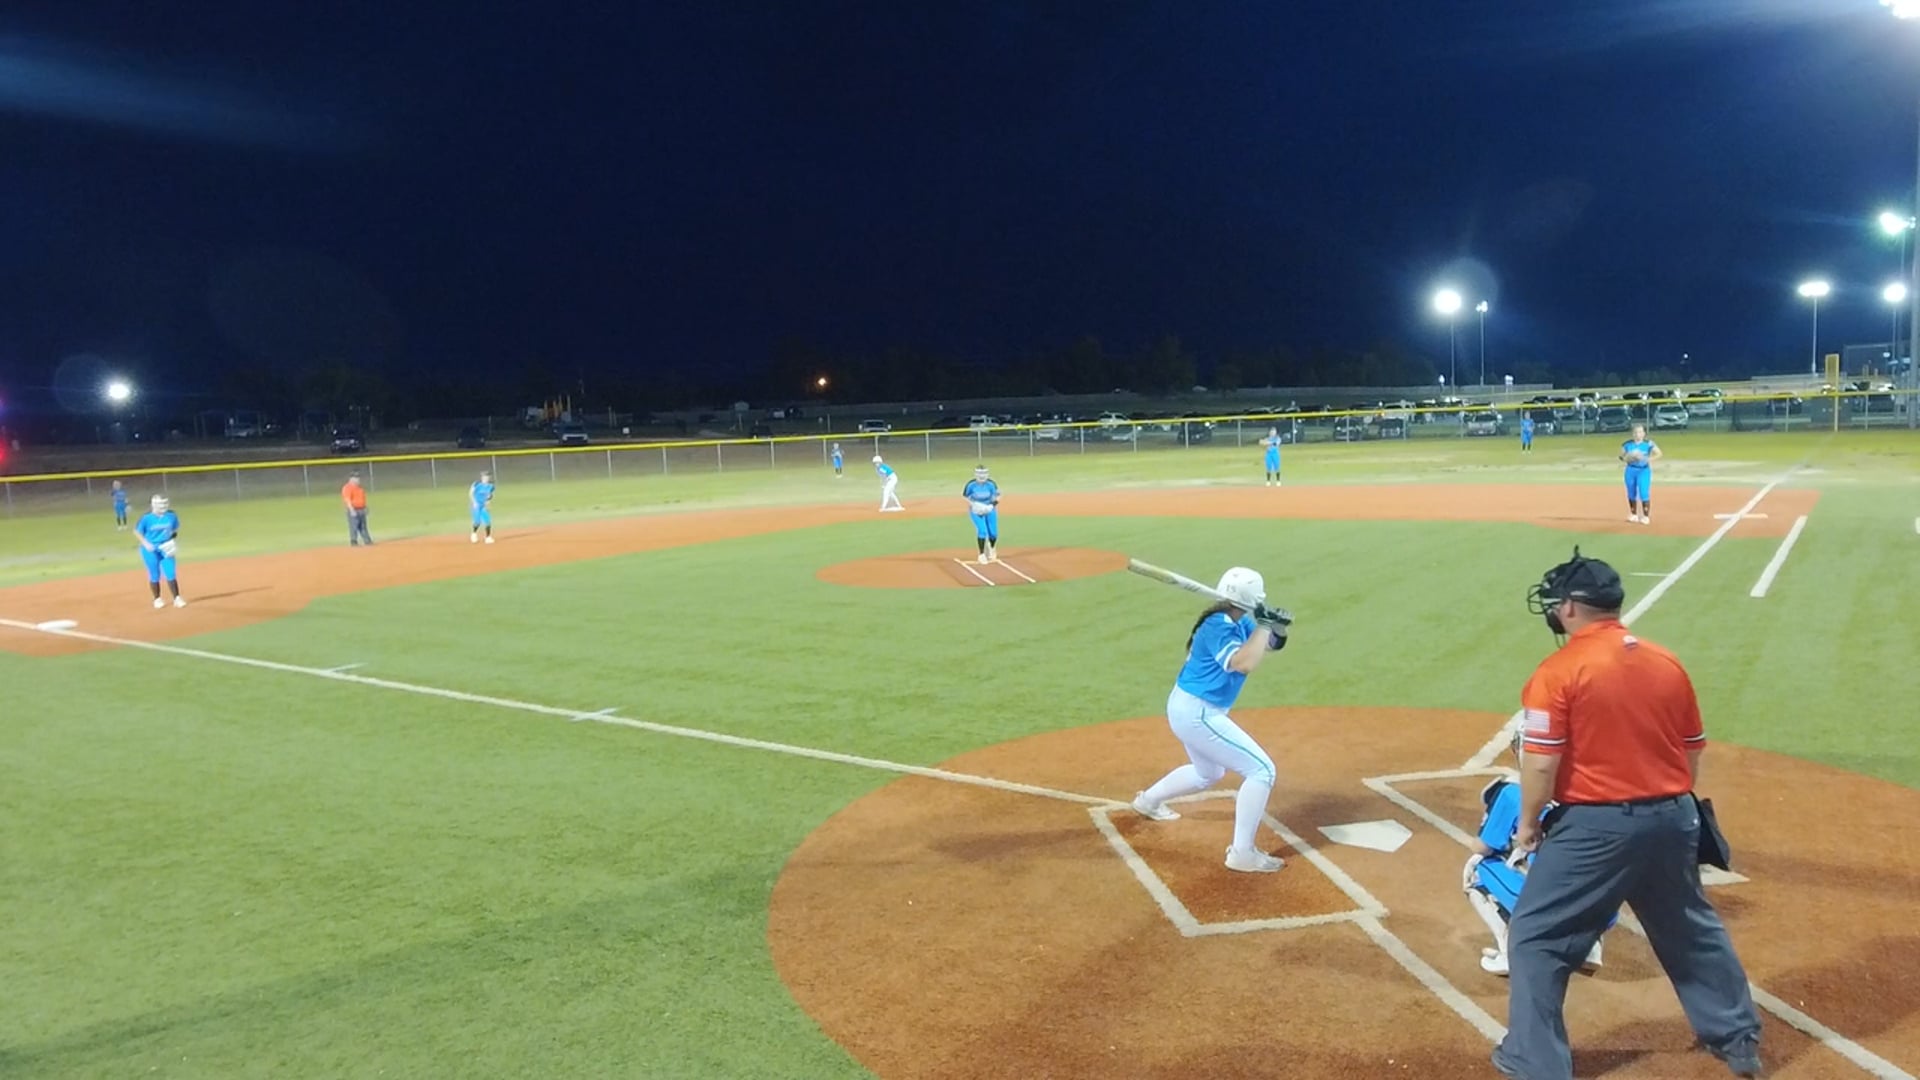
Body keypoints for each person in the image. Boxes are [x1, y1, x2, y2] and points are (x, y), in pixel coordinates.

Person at [1491, 548, 1761, 1080]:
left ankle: (1536, 1061)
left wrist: (1527, 825)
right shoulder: (1665, 662)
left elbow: (1540, 764)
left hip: (1596, 829)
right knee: (1690, 928)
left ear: (1570, 607)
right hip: (1674, 819)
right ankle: (1738, 1040)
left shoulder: (1558, 671)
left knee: (1537, 936)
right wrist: (1663, 801)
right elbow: (1691, 750)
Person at [1130, 568, 1294, 873]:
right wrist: (1264, 624)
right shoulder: (1218, 626)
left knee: (1208, 772)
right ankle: (1242, 853)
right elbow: (1243, 664)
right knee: (1261, 771)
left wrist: (1277, 628)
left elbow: (1269, 644)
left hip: (1190, 708)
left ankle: (1148, 801)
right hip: (1198, 712)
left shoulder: (1237, 621)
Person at [1462, 728, 1611, 977]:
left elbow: (1484, 846)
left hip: (1549, 900)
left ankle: (1510, 953)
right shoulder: (1594, 789)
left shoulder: (1512, 791)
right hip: (1603, 901)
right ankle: (1590, 947)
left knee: (1477, 868)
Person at [134, 494, 186, 609]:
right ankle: (157, 598)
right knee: (155, 574)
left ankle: (177, 598)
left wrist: (171, 538)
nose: (163, 506)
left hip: (166, 547)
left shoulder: (171, 516)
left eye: (165, 503)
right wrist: (146, 544)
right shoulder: (146, 518)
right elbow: (137, 532)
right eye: (160, 504)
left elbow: (175, 528)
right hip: (150, 549)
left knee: (170, 572)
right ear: (154, 505)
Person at [1618, 423, 1662, 525]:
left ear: (1644, 433)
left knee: (1643, 492)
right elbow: (1621, 456)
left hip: (1643, 470)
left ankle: (1646, 516)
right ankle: (1633, 514)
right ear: (1633, 434)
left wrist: (1648, 459)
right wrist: (1628, 458)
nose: (1638, 434)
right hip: (1631, 470)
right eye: (1636, 432)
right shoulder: (1627, 444)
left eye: (1640, 432)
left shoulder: (1648, 444)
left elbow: (1659, 453)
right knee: (1631, 492)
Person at [961, 464, 1001, 563]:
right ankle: (981, 554)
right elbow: (965, 496)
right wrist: (974, 505)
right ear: (976, 474)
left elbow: (998, 496)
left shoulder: (991, 484)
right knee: (982, 530)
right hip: (976, 511)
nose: (982, 476)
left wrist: (992, 505)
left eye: (984, 473)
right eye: (979, 474)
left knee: (993, 533)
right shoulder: (971, 485)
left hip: (989, 509)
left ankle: (991, 547)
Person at [342, 473, 373, 546]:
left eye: (358, 478)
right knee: (354, 526)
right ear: (351, 479)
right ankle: (354, 541)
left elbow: (362, 499)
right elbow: (347, 499)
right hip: (354, 509)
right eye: (356, 478)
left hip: (361, 509)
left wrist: (365, 507)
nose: (358, 479)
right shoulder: (347, 487)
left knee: (363, 526)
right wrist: (351, 509)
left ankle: (367, 540)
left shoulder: (360, 488)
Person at [469, 471, 496, 544]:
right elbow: (471, 493)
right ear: (482, 477)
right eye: (484, 477)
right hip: (476, 505)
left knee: (487, 521)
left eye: (487, 477)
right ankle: (474, 534)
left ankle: (488, 537)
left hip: (483, 505)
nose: (486, 478)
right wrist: (474, 502)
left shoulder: (491, 486)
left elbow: (490, 495)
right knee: (477, 521)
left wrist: (488, 503)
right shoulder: (476, 484)